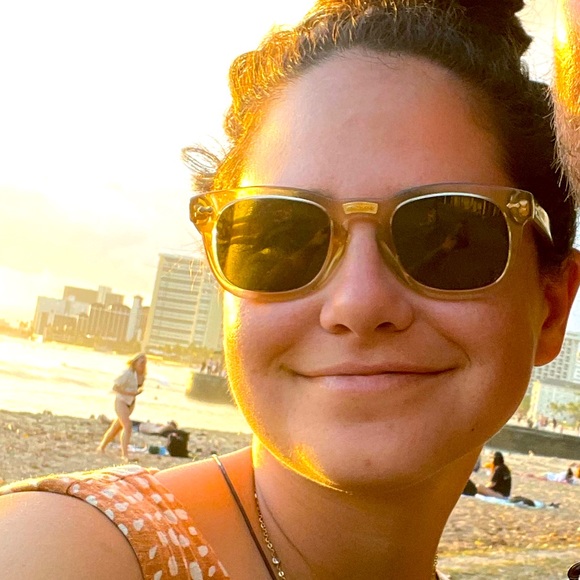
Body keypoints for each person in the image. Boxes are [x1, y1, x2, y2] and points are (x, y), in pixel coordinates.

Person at [1, 0, 580, 578]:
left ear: (551, 308)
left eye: (449, 238)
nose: (358, 302)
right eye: (282, 238)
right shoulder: (62, 550)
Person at [96, 353, 147, 461]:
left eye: (145, 362)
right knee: (128, 426)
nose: (143, 364)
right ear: (135, 362)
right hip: (121, 401)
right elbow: (115, 387)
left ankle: (101, 447)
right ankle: (125, 455)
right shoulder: (127, 373)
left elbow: (136, 388)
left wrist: (137, 392)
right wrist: (129, 393)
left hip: (131, 402)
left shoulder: (142, 375)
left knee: (116, 427)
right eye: (141, 362)